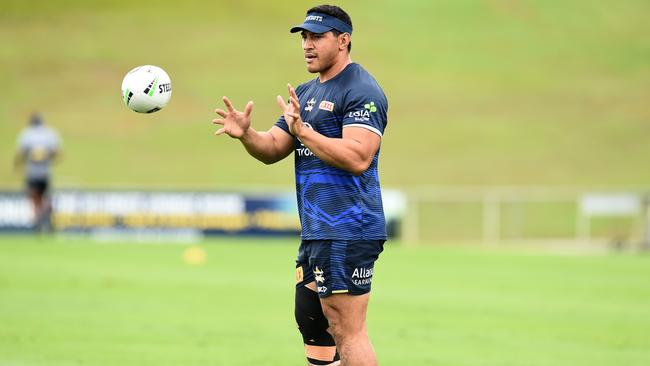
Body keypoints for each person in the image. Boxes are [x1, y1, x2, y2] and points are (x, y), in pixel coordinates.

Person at [212, 5, 388, 365]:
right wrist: (246, 134)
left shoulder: (361, 90)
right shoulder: (305, 93)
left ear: (343, 41)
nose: (307, 44)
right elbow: (273, 147)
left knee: (346, 328)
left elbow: (358, 157)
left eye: (317, 37)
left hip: (348, 228)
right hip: (318, 230)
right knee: (312, 320)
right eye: (304, 37)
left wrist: (304, 131)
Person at [14, 113, 62, 231]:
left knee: (34, 199)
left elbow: (21, 152)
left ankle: (38, 222)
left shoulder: (26, 134)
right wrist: (47, 156)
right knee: (45, 198)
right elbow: (57, 152)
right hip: (45, 173)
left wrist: (18, 163)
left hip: (32, 173)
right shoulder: (50, 133)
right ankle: (46, 217)